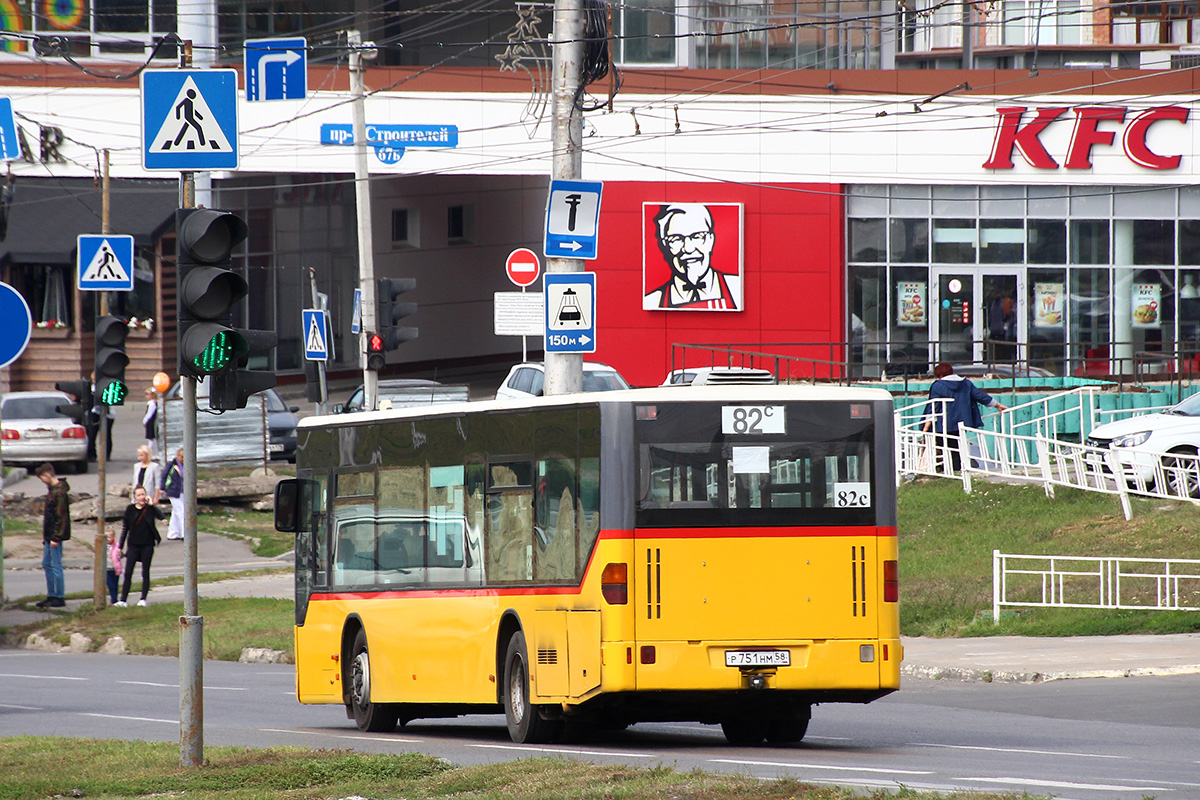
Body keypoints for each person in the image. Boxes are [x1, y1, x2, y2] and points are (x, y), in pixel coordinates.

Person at [643, 203, 742, 310]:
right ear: (665, 245)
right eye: (676, 239)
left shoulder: (737, 288)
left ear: (711, 240)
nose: (688, 249)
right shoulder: (653, 301)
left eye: (697, 236)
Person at [923, 362, 1007, 471]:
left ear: (939, 375)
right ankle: (957, 470)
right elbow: (979, 395)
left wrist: (926, 427)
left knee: (943, 447)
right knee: (957, 447)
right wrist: (998, 405)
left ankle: (948, 471)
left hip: (943, 423)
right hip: (962, 422)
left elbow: (933, 406)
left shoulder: (938, 385)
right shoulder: (965, 383)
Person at [116, 485, 164, 607]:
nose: (142, 497)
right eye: (139, 495)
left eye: (143, 494)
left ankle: (143, 599)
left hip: (147, 545)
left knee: (145, 572)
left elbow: (162, 517)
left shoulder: (150, 509)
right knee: (128, 573)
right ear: (135, 497)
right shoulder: (130, 509)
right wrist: (120, 546)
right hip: (133, 545)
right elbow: (125, 528)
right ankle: (123, 600)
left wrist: (152, 505)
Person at [34, 463, 70, 608]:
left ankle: (59, 596)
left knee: (55, 565)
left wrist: (56, 537)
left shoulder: (59, 493)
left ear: (47, 475)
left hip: (54, 536)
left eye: (42, 478)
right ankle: (52, 594)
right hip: (49, 535)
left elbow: (61, 517)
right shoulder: (53, 490)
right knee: (47, 564)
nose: (42, 481)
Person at [161, 448, 185, 541]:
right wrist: (162, 488)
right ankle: (184, 533)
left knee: (176, 512)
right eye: (181, 457)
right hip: (173, 491)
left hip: (182, 491)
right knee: (181, 511)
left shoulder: (187, 465)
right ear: (177, 456)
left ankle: (173, 533)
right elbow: (164, 476)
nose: (183, 459)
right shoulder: (171, 465)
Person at [104, 526, 122, 606]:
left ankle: (114, 600)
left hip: (115, 569)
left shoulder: (117, 545)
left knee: (115, 585)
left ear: (113, 537)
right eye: (106, 537)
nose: (107, 539)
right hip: (106, 569)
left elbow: (120, 555)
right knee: (110, 586)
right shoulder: (103, 546)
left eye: (109, 537)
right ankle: (114, 601)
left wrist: (120, 554)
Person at [142, 388, 158, 454]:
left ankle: (149, 452)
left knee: (151, 438)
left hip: (151, 422)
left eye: (147, 395)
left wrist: (145, 420)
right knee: (153, 438)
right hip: (153, 421)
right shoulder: (155, 402)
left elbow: (149, 413)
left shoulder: (151, 403)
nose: (146, 397)